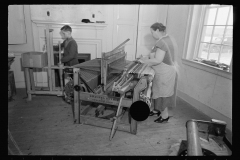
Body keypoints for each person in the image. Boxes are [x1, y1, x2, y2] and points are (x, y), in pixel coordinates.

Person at [138, 22, 179, 123]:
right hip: (168, 69)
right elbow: (161, 56)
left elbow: (157, 60)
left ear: (157, 30)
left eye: (152, 32)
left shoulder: (161, 42)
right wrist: (147, 58)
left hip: (165, 72)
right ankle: (156, 110)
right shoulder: (168, 38)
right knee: (157, 91)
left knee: (162, 94)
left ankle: (164, 117)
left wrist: (143, 61)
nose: (152, 34)